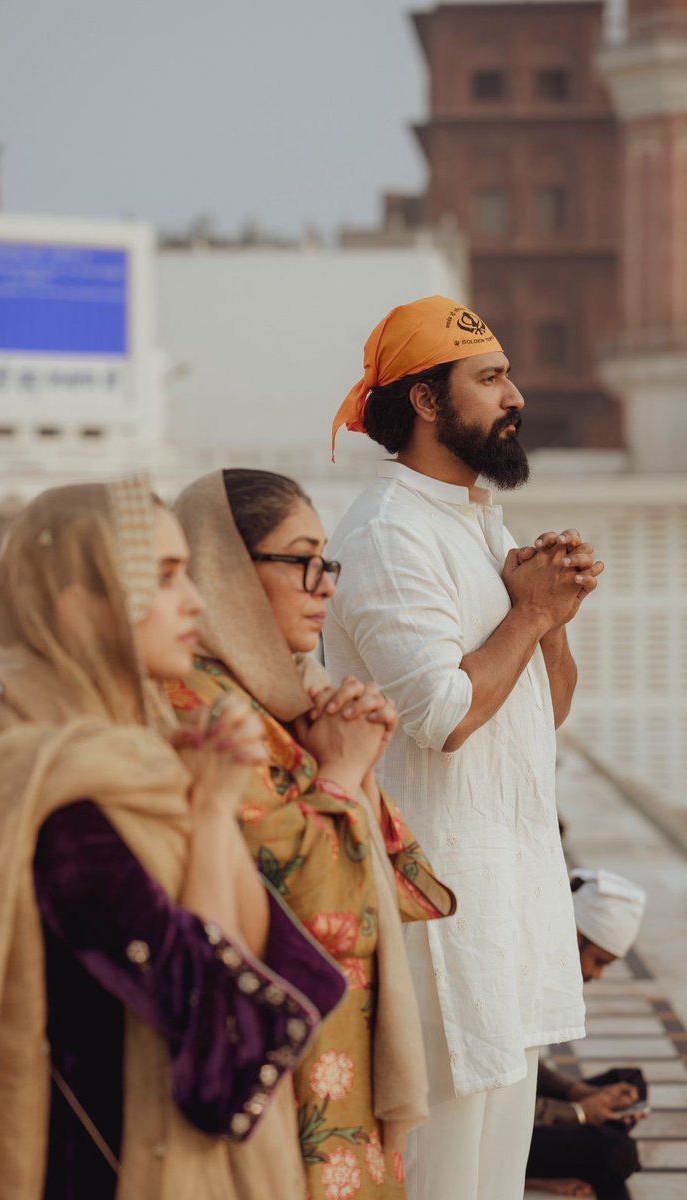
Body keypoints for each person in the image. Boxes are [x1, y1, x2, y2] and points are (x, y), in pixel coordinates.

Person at [0, 477, 346, 1200]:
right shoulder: (63, 798)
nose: (194, 600)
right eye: (165, 579)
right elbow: (210, 1025)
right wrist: (208, 816)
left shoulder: (144, 763)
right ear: (84, 611)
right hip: (108, 1166)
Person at [324, 296, 605, 1200]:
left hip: (510, 908)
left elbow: (540, 713)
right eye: (488, 379)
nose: (514, 395)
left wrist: (551, 619)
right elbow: (445, 716)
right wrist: (525, 610)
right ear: (428, 402)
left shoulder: (479, 521)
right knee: (443, 1180)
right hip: (438, 914)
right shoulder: (387, 535)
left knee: (494, 1176)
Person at [170, 468, 456, 1200]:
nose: (324, 584)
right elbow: (316, 911)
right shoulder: (196, 704)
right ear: (226, 571)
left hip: (332, 1053)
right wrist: (339, 772)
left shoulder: (284, 697)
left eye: (325, 561)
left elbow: (408, 890)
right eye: (300, 560)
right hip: (276, 1057)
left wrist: (356, 761)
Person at [526, 869, 648, 1200]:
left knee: (632, 1082)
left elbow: (527, 1064)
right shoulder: (524, 968)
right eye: (598, 960)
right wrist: (579, 1114)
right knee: (613, 1151)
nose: (596, 974)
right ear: (576, 935)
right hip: (503, 1125)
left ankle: (603, 1120)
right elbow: (506, 1091)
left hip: (528, 1105)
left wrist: (581, 1093)